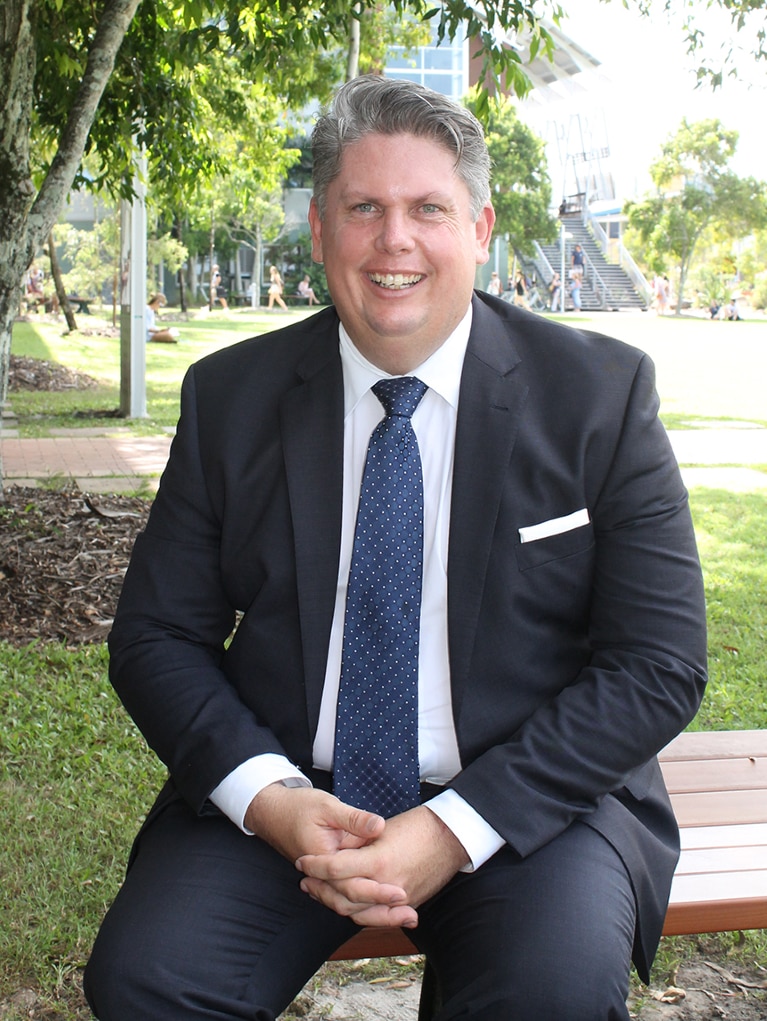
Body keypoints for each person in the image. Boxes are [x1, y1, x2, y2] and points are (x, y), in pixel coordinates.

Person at [84, 75, 707, 1021]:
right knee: (150, 979)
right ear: (319, 231)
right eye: (363, 208)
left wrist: (454, 828)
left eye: (427, 208)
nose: (394, 240)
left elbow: (658, 664)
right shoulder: (230, 398)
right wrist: (273, 801)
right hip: (295, 797)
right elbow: (156, 638)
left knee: (550, 998)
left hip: (527, 798)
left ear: (480, 228)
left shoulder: (600, 397)